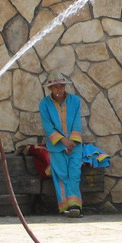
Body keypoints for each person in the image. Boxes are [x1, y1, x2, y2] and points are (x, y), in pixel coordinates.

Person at [38, 72, 85, 218]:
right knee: (61, 175)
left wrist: (72, 142)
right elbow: (48, 126)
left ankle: (75, 205)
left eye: (61, 86)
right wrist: (64, 141)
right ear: (50, 89)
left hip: (75, 145)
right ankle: (66, 206)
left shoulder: (75, 101)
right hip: (56, 146)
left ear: (65, 87)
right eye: (55, 87)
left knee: (74, 173)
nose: (58, 90)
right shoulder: (44, 104)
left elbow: (77, 122)